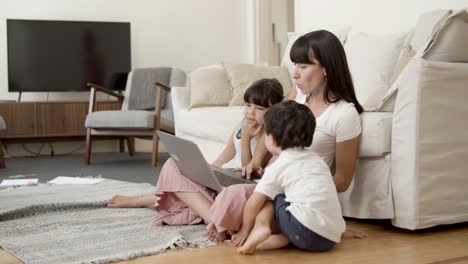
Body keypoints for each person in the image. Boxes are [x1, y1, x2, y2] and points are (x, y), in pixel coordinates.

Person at [206, 29, 365, 240]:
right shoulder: (298, 94)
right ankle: (217, 217)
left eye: (303, 66)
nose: (295, 74)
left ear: (326, 68)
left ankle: (215, 219)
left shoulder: (344, 114)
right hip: (266, 180)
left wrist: (290, 184)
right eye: (294, 66)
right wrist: (255, 162)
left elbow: (343, 180)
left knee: (230, 195)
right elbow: (273, 125)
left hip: (288, 192)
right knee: (181, 169)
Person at [107, 78, 284, 227]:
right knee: (173, 164)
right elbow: (220, 161)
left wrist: (246, 138)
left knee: (183, 193)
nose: (250, 112)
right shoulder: (239, 129)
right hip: (223, 178)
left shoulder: (269, 136)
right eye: (248, 105)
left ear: (273, 111)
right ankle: (145, 201)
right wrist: (201, 170)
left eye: (259, 108)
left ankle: (214, 221)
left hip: (237, 184)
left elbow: (249, 171)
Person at [232, 100, 345, 254]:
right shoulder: (318, 161)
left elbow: (253, 203)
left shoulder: (278, 166)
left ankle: (261, 228)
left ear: (271, 139)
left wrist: (244, 231)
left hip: (301, 228)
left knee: (273, 196)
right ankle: (271, 242)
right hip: (328, 239)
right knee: (298, 211)